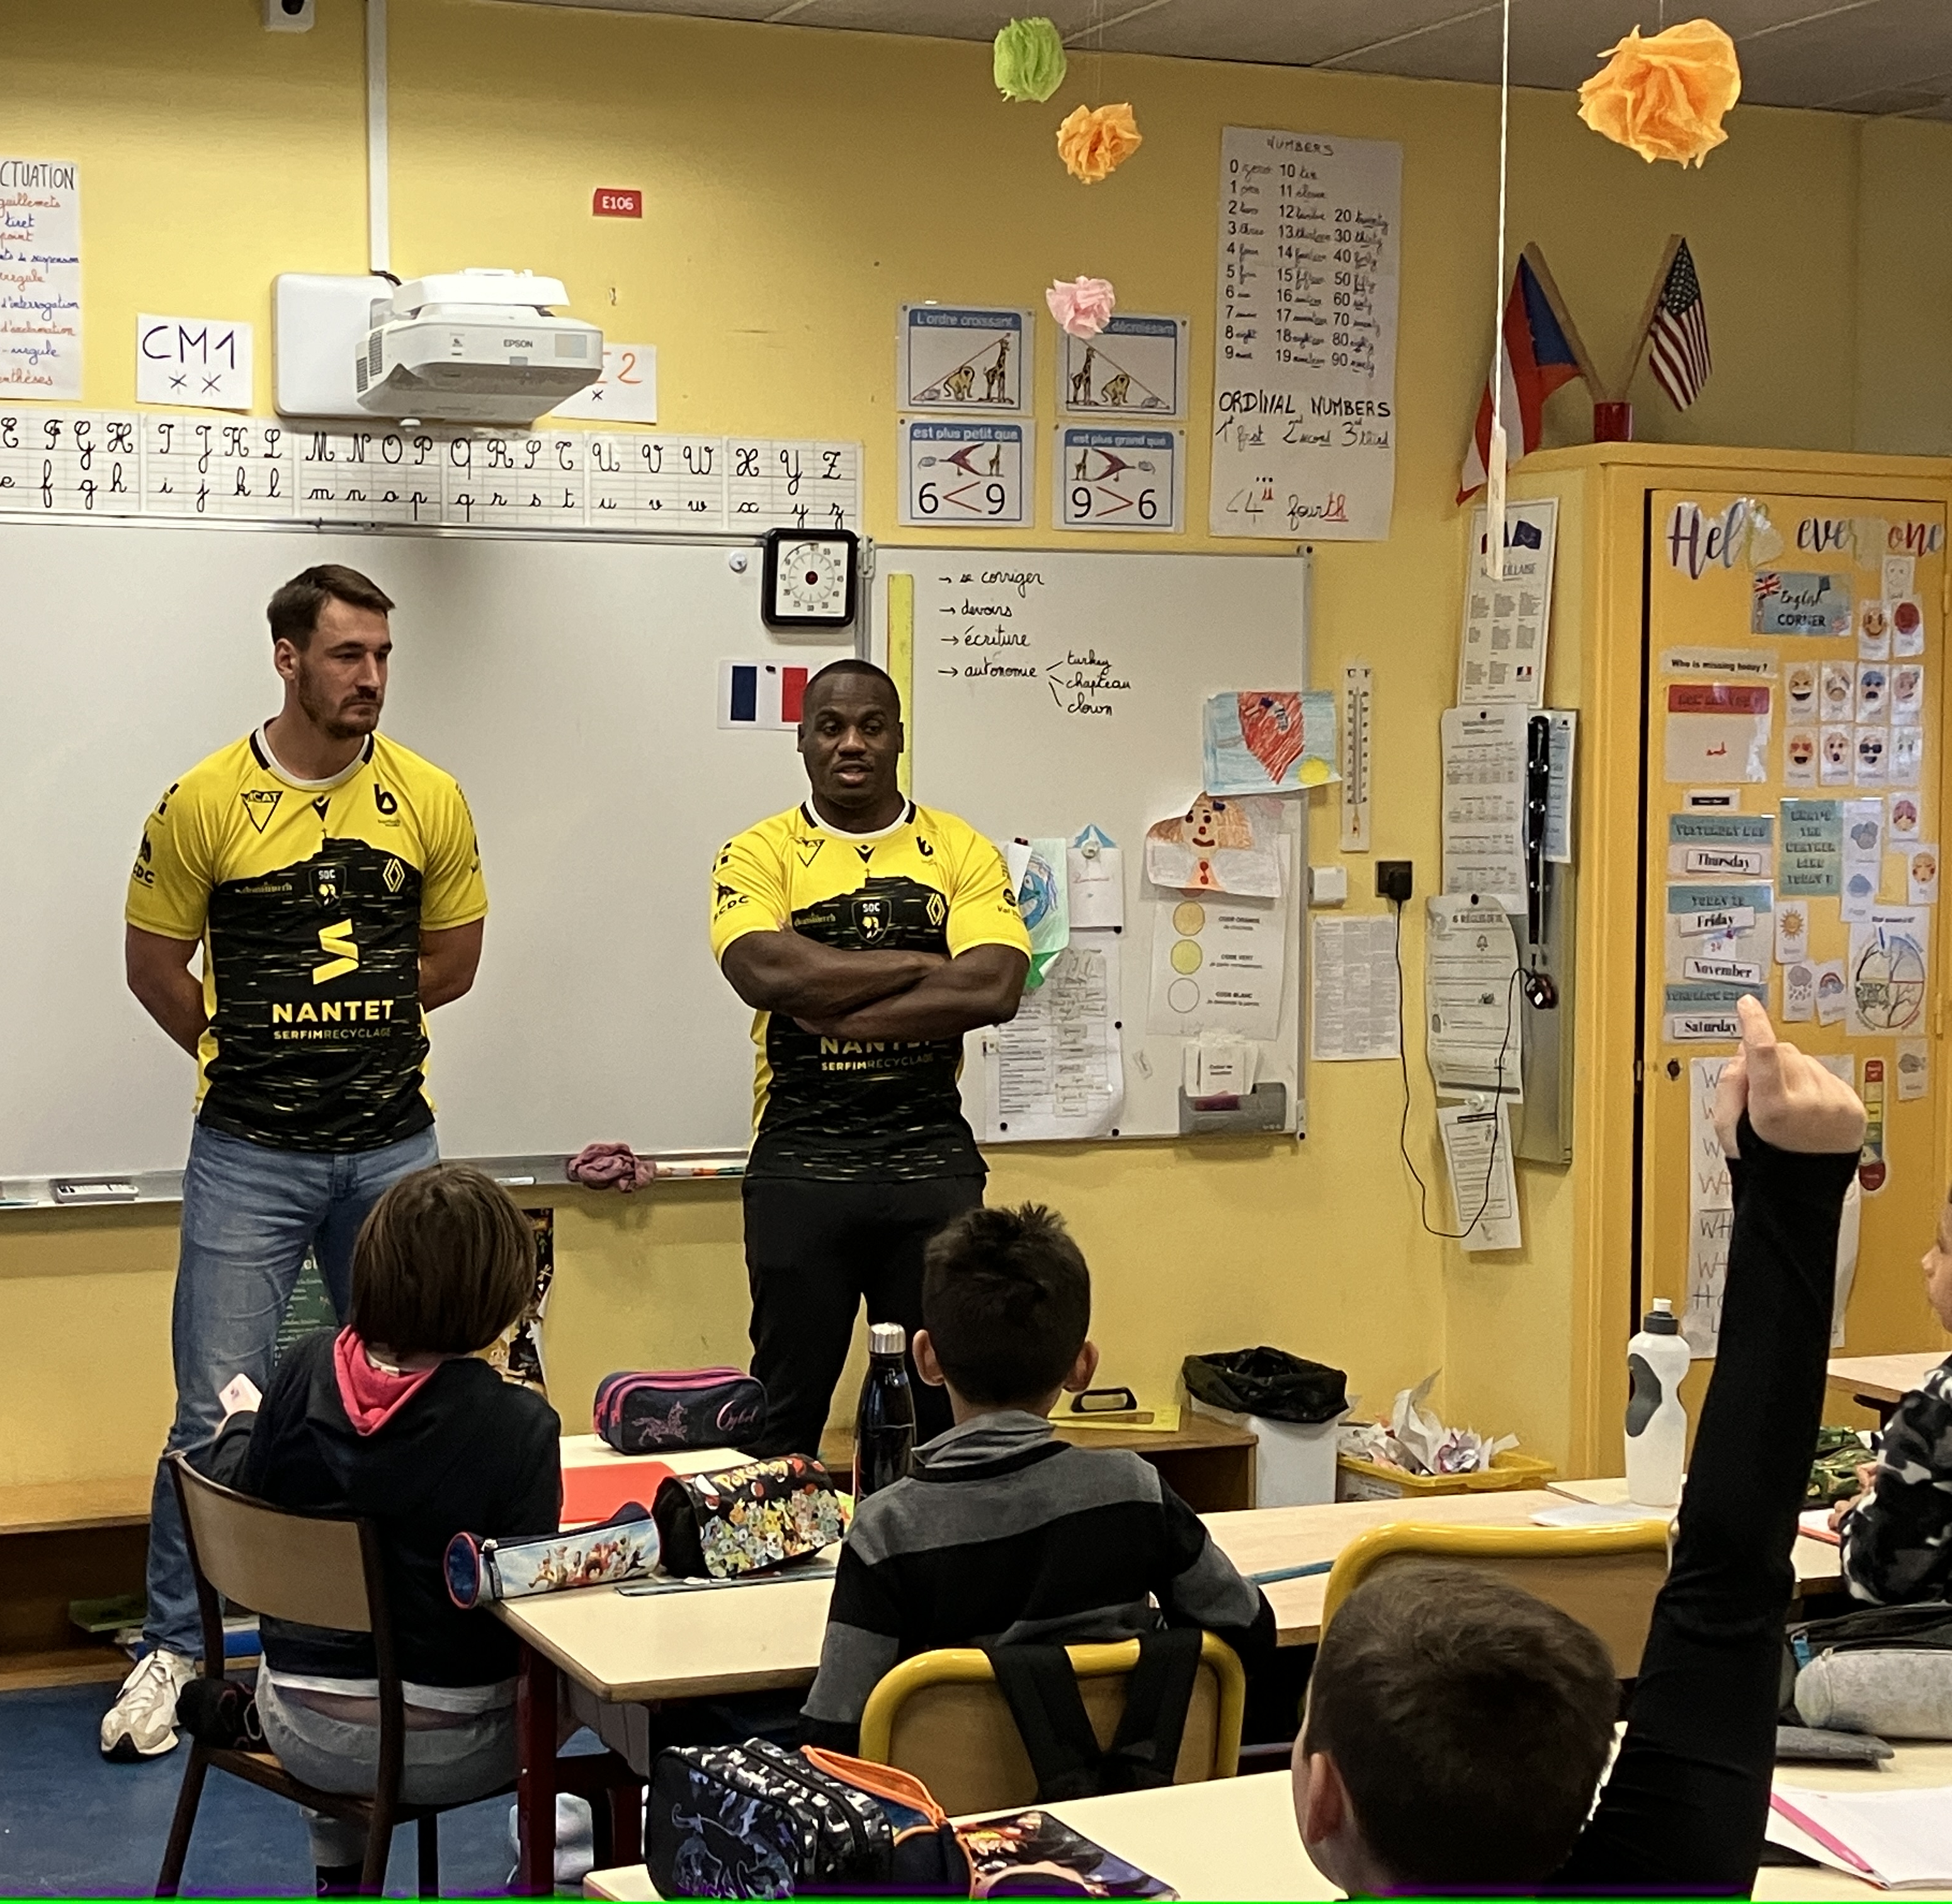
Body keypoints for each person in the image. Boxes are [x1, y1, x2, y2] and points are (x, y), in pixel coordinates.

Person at [1292, 995, 1866, 1893]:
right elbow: (1733, 1573)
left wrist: (1789, 1187)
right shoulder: (1662, 1877)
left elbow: (1732, 1576)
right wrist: (1793, 1179)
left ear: (1320, 1796)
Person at [109, 564, 489, 1762]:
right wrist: (253, 1048)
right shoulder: (203, 800)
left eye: (382, 654)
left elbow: (455, 958)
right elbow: (155, 964)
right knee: (211, 1406)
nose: (370, 676)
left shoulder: (427, 795)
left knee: (429, 1383)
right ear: (286, 656)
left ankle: (419, 1625)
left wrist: (351, 1024)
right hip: (248, 1153)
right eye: (345, 654)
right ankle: (179, 1645)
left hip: (393, 1146)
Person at [196, 1164, 557, 1896]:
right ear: (500, 1293)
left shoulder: (301, 1372)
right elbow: (526, 1605)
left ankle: (341, 1870)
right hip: (453, 1745)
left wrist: (240, 1425)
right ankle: (573, 1866)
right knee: (601, 1694)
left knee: (336, 1644)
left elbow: (246, 1491)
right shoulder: (519, 1426)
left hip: (300, 1726)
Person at [800, 1201, 1274, 1754]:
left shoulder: (887, 1530)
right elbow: (1249, 1630)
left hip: (950, 1832)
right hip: (1124, 1812)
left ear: (925, 1358)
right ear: (1082, 1366)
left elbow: (831, 1737)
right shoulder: (1135, 1492)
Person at [709, 659, 1030, 1459]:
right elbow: (766, 972)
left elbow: (993, 984)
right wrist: (922, 963)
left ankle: (931, 1568)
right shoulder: (756, 852)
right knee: (786, 1410)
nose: (851, 743)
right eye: (831, 726)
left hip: (932, 1163)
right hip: (800, 1166)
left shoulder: (959, 848)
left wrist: (840, 1016)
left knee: (941, 1407)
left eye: (871, 726)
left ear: (897, 737)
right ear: (804, 740)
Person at [1831, 1189, 1952, 1603]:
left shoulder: (1941, 1402)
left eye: (1942, 1246)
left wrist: (1861, 1515)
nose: (1927, 1262)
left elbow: (1879, 1578)